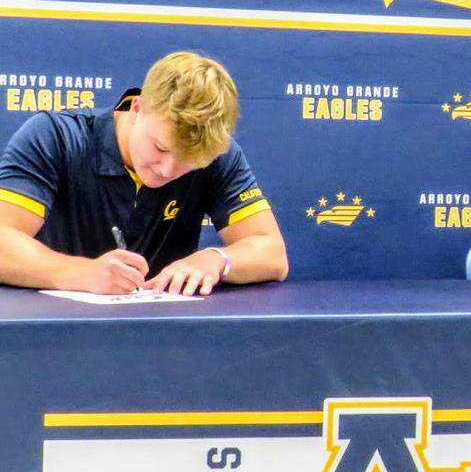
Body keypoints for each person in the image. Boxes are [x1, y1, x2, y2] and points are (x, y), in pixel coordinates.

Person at [0, 50, 288, 295]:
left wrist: (218, 259)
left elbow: (273, 253)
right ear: (137, 107)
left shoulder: (217, 155)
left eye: (189, 162)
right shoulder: (55, 137)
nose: (167, 170)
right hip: (48, 340)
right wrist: (81, 273)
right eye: (161, 148)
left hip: (161, 339)